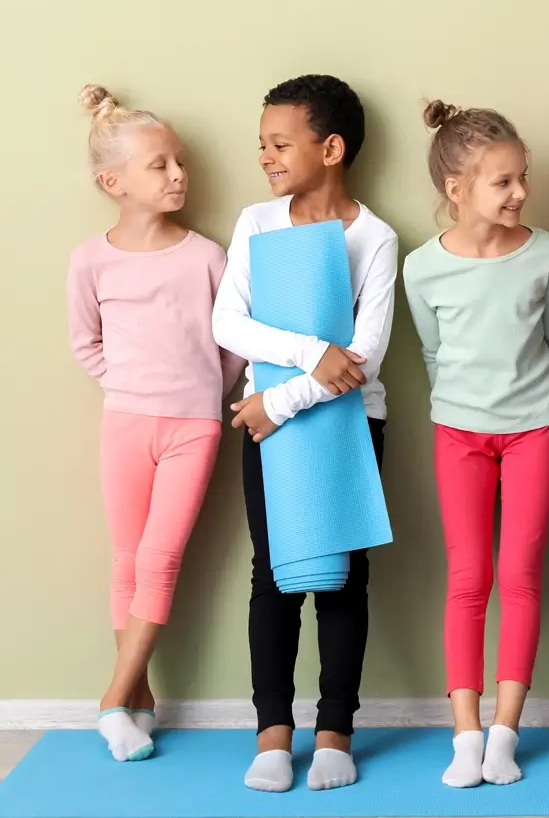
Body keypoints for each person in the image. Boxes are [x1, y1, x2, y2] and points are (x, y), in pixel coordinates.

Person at [211, 74, 398, 792]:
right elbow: (229, 322)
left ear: (331, 147)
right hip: (271, 425)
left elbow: (367, 354)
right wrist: (309, 354)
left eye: (279, 143)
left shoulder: (375, 238)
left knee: (345, 582)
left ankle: (335, 735)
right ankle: (271, 736)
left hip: (345, 420)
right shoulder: (256, 224)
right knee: (275, 576)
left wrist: (277, 403)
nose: (265, 155)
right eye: (262, 143)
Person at [67, 85, 243, 762]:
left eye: (179, 161)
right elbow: (86, 342)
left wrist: (202, 392)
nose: (177, 175)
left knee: (160, 558)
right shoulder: (90, 260)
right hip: (125, 422)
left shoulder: (205, 256)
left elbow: (230, 344)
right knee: (127, 558)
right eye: (158, 165)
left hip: (193, 425)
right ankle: (135, 702)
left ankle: (113, 698)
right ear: (113, 183)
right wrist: (129, 384)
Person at [403, 101, 549, 788]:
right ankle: (465, 736)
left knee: (520, 578)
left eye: (521, 177)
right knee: (468, 580)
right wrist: (466, 412)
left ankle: (505, 733)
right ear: (457, 189)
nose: (520, 192)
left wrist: (526, 411)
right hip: (458, 434)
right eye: (503, 181)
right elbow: (432, 355)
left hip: (535, 429)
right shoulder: (421, 269)